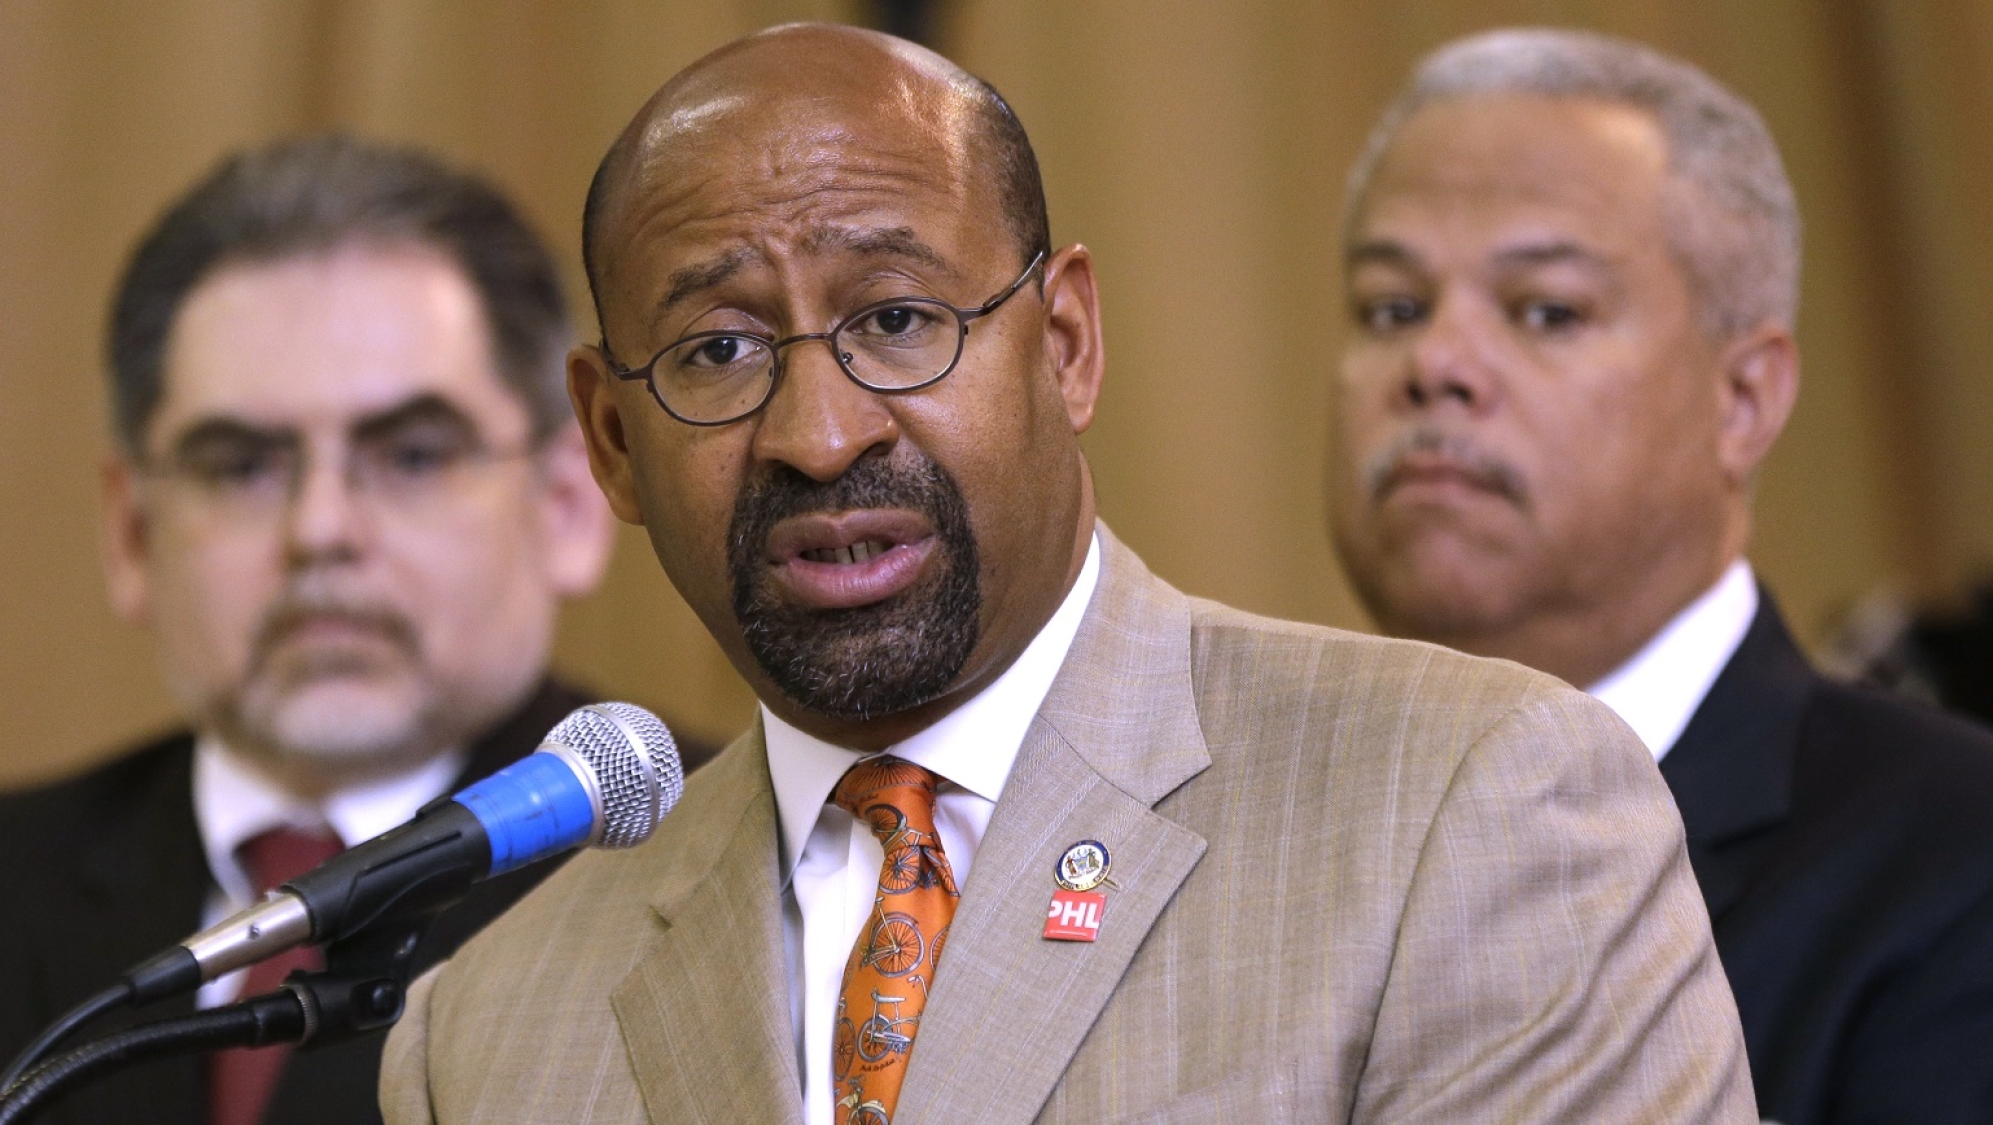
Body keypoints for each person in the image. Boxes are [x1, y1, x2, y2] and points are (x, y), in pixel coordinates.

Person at [381, 24, 1754, 1123]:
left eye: (900, 318)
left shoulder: (1471, 809)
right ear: (613, 443)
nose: (819, 434)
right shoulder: (483, 1029)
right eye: (719, 353)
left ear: (1068, 343)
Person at [1326, 28, 1993, 1125]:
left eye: (1544, 310)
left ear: (1741, 403)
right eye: (1390, 307)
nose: (1434, 364)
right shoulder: (1238, 839)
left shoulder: (1960, 866)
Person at [0, 136, 655, 1125]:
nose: (321, 533)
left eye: (412, 456)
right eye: (242, 466)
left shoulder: (727, 883)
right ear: (131, 535)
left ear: (566, 505)